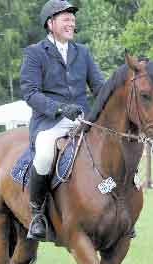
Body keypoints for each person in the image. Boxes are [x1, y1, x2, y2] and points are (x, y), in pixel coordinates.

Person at [20, 0, 104, 240]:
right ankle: (37, 213)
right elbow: (30, 93)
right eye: (65, 18)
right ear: (50, 23)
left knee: (111, 149)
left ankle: (119, 208)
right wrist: (58, 108)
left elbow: (99, 87)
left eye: (72, 18)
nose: (71, 22)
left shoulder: (83, 52)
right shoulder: (35, 53)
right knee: (45, 154)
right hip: (50, 122)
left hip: (83, 120)